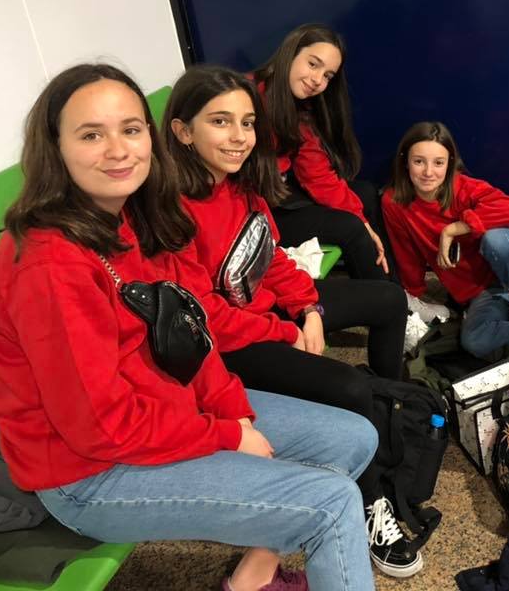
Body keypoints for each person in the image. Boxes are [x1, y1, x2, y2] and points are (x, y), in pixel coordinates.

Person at [0, 63, 378, 591]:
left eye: (130, 129)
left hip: (165, 407)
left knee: (353, 438)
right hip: (88, 472)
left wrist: (233, 410)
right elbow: (100, 427)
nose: (118, 150)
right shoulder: (49, 265)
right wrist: (226, 434)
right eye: (91, 135)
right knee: (332, 504)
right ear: (55, 148)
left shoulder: (137, 216)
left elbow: (191, 331)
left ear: (151, 136)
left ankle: (252, 578)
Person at [162, 65, 423, 578]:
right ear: (183, 131)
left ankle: (388, 408)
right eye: (220, 121)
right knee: (348, 388)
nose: (239, 137)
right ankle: (370, 504)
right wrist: (288, 331)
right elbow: (205, 318)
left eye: (247, 123)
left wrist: (309, 309)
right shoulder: (173, 211)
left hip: (270, 313)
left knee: (390, 301)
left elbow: (272, 257)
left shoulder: (241, 185)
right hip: (230, 343)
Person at [381, 121, 509, 361]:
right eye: (419, 161)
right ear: (405, 161)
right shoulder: (394, 202)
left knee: (496, 240)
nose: (428, 172)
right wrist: (415, 294)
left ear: (450, 163)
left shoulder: (463, 187)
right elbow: (406, 253)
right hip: (483, 288)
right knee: (474, 341)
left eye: (438, 163)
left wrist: (453, 229)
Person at [251, 23, 396, 284]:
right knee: (351, 227)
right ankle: (386, 297)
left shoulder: (297, 107)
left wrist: (363, 221)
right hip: (255, 213)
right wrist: (360, 224)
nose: (318, 80)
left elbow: (315, 172)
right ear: (291, 53)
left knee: (365, 194)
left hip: (277, 193)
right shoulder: (245, 98)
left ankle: (395, 290)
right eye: (313, 64)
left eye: (328, 75)